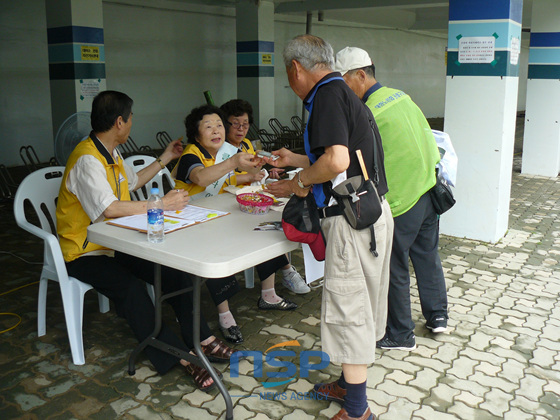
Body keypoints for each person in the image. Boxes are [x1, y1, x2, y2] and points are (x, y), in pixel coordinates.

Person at [55, 90, 235, 392]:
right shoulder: (87, 160)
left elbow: (132, 181)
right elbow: (109, 208)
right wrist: (161, 204)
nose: (131, 123)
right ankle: (180, 356)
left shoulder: (108, 151)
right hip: (84, 252)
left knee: (173, 271)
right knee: (131, 289)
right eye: (131, 118)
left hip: (116, 243)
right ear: (119, 122)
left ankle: (202, 338)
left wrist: (166, 157)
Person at [265, 35, 393, 420]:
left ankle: (357, 411)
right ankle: (347, 383)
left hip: (351, 222)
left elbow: (335, 161)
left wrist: (297, 182)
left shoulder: (325, 96)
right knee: (362, 306)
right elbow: (343, 153)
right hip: (372, 214)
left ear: (296, 69)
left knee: (348, 308)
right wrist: (299, 158)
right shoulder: (343, 92)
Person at [334, 46, 448, 351]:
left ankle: (400, 335)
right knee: (426, 256)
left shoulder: (369, 112)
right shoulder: (401, 96)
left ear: (360, 75)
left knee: (394, 267)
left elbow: (351, 159)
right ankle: (438, 316)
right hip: (427, 189)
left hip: (402, 200)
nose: (343, 92)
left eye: (344, 83)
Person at [173, 104, 298, 345]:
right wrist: (233, 163)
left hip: (216, 217)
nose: (216, 130)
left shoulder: (220, 154)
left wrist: (255, 170)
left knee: (261, 228)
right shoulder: (191, 154)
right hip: (190, 225)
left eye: (219, 125)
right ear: (196, 133)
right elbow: (200, 177)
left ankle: (269, 294)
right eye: (208, 127)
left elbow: (229, 177)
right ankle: (225, 314)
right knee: (217, 248)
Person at [220, 98, 310, 295]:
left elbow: (255, 174)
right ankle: (283, 276)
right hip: (226, 204)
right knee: (263, 231)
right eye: (235, 123)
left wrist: (267, 174)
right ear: (225, 124)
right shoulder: (221, 149)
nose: (241, 129)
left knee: (274, 223)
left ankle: (280, 279)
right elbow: (222, 178)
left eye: (245, 124)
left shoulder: (246, 145)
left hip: (248, 200)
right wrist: (250, 176)